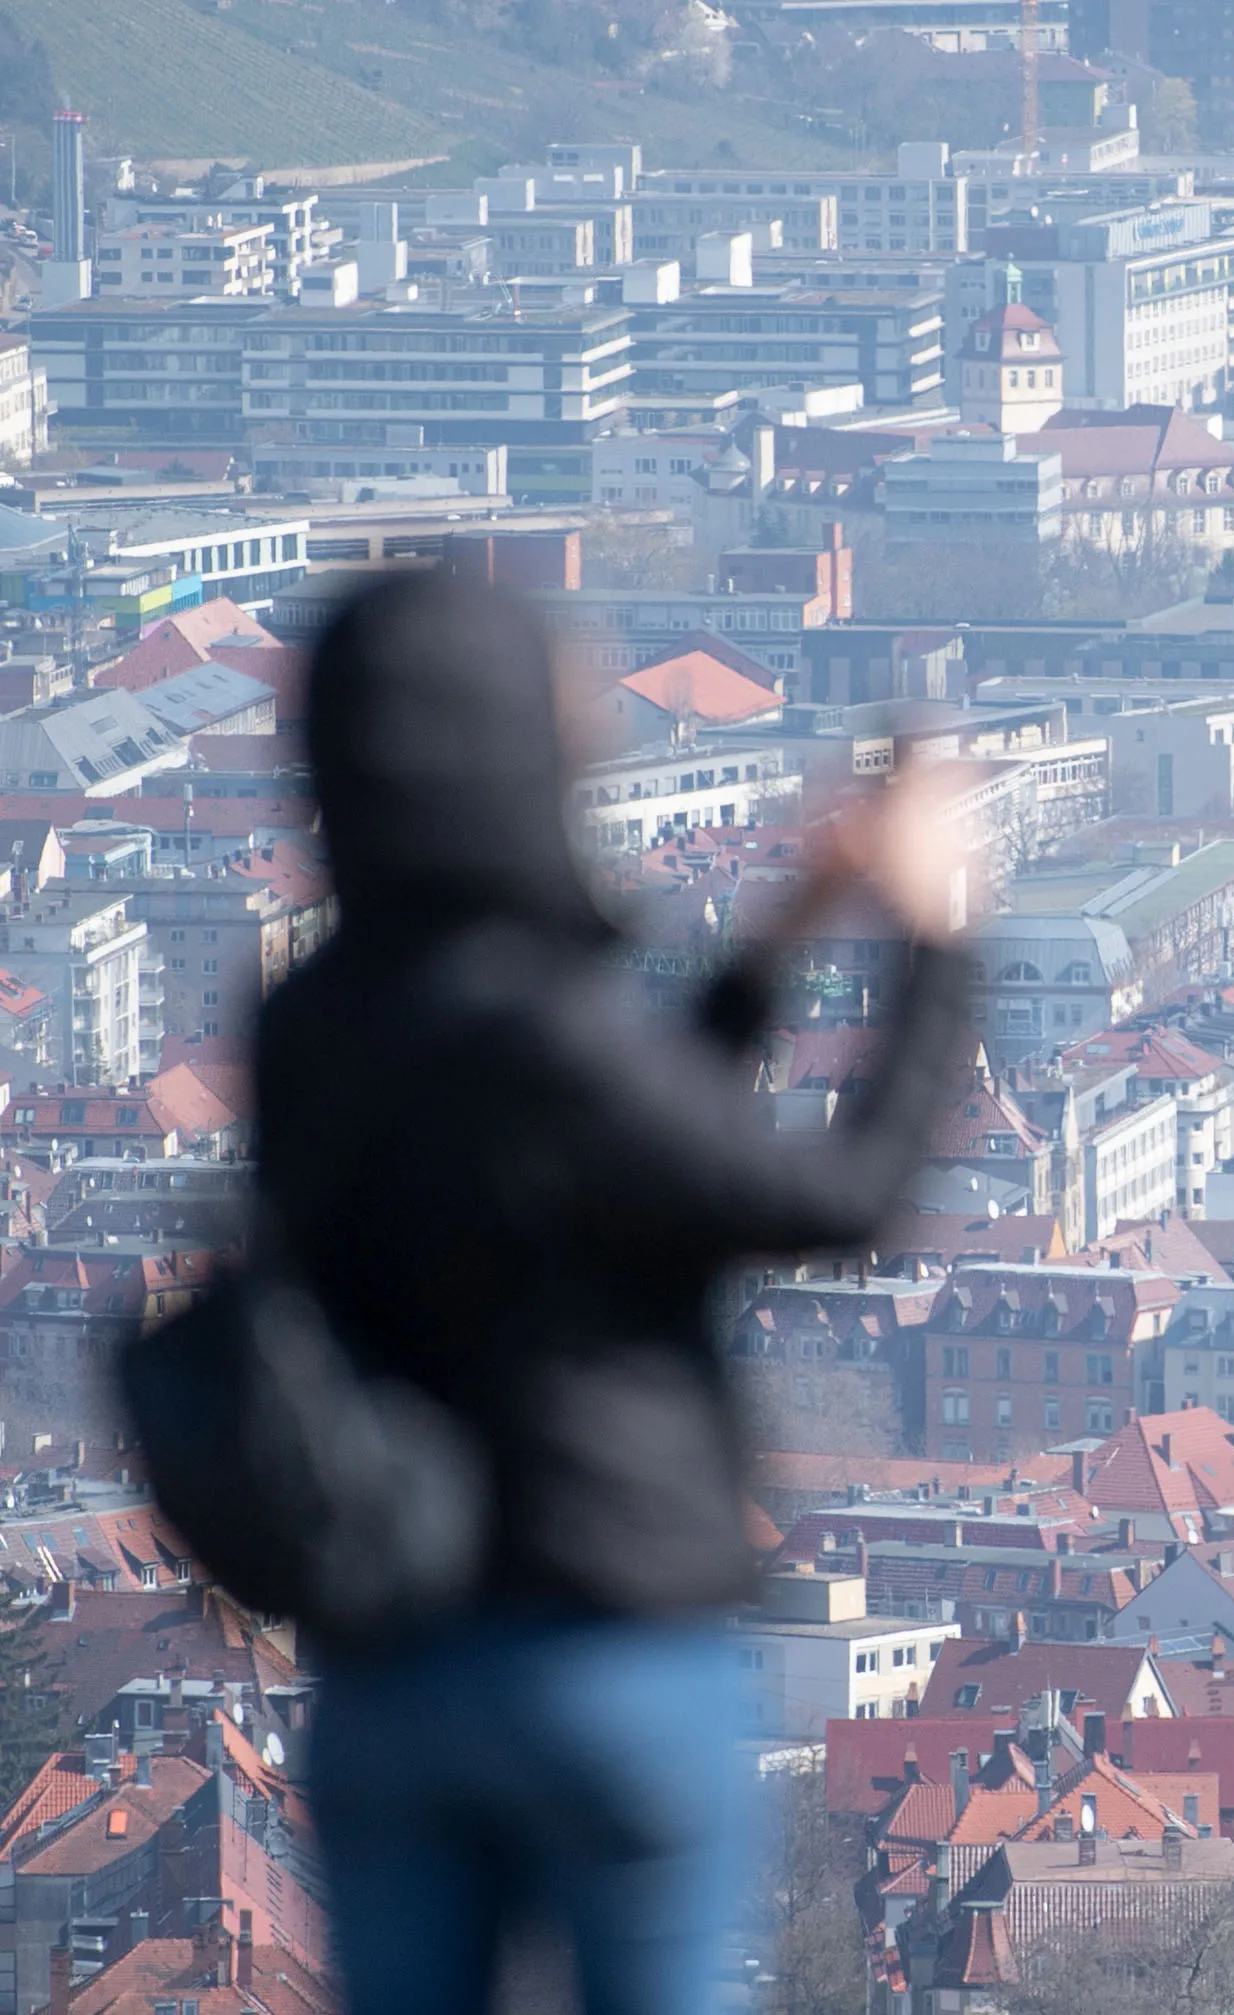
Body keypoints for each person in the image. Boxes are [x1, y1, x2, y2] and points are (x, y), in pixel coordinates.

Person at [254, 570, 972, 2015]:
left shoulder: (309, 1022)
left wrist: (791, 923)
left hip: (390, 1669)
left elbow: (620, 1140)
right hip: (604, 1652)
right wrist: (937, 938)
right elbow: (842, 1199)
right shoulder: (545, 1017)